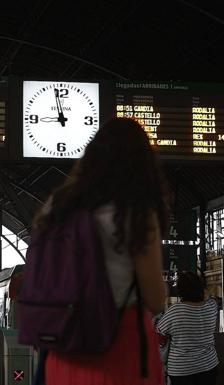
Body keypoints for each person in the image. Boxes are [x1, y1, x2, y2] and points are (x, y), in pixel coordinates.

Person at [36, 118, 169, 384]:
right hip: (120, 348)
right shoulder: (135, 211)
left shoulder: (57, 206)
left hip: (65, 349)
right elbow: (155, 300)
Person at [157, 271, 219, 385]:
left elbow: (159, 333)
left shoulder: (176, 311)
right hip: (209, 365)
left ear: (180, 290)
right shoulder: (211, 306)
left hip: (182, 369)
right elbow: (209, 296)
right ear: (201, 288)